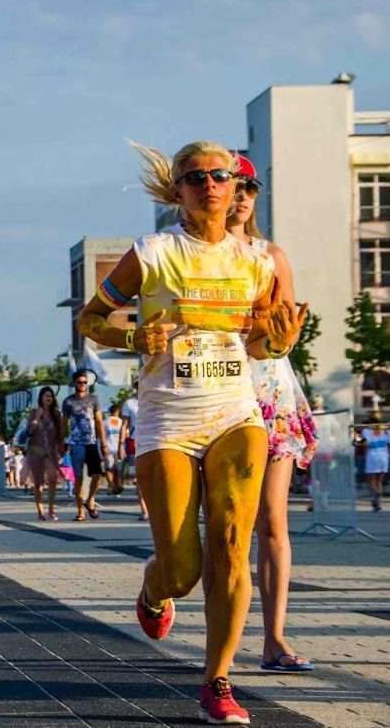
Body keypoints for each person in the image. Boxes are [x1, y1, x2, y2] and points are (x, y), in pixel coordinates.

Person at [77, 140, 304, 725]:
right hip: (168, 419)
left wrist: (277, 342)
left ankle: (218, 681)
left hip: (235, 413)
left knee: (232, 542)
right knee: (183, 567)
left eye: (219, 175)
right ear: (176, 190)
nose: (209, 184)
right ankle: (156, 591)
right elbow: (90, 320)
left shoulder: (256, 261)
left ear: (235, 188)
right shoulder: (153, 254)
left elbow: (259, 345)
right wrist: (132, 338)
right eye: (195, 176)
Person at [226, 154, 318, 673]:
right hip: (213, 391)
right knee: (222, 525)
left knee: (272, 519)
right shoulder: (194, 253)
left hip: (268, 391)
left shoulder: (270, 254)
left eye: (249, 188)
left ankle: (274, 639)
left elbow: (285, 326)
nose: (240, 196)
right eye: (233, 186)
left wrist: (280, 333)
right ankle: (165, 580)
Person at [61, 371, 107, 522]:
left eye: (84, 382)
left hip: (92, 442)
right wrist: (61, 441)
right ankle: (81, 511)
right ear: (74, 383)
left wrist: (103, 442)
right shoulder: (68, 402)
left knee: (97, 475)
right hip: (76, 443)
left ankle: (90, 499)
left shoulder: (94, 399)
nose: (82, 385)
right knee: (79, 478)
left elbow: (99, 421)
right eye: (79, 382)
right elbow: (64, 422)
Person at [24, 387, 62, 520]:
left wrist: (60, 450)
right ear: (41, 398)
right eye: (46, 396)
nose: (49, 398)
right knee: (38, 482)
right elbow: (29, 431)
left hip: (51, 451)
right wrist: (36, 417)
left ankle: (51, 509)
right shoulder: (34, 412)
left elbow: (60, 434)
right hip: (36, 450)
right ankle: (40, 510)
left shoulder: (56, 414)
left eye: (51, 396)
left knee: (52, 478)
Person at [119, 381, 147, 521]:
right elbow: (124, 425)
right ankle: (144, 510)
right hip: (133, 443)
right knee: (138, 478)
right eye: (138, 384)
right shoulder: (129, 404)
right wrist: (121, 445)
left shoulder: (152, 398)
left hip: (151, 441)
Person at [361, 411, 388, 512]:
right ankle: (378, 501)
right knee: (379, 481)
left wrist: (365, 456)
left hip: (372, 455)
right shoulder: (385, 430)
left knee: (371, 481)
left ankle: (375, 497)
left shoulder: (366, 431)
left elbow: (365, 445)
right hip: (384, 455)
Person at [103, 402, 124, 496]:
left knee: (109, 468)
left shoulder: (106, 421)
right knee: (118, 469)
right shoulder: (121, 422)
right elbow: (126, 434)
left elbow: (101, 435)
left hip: (108, 447)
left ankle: (111, 486)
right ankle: (117, 485)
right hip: (118, 448)